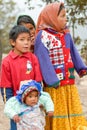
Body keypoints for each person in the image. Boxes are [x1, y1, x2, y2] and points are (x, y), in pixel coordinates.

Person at [34, 2, 87, 130]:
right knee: (59, 117)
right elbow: (43, 59)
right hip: (55, 88)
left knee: (74, 114)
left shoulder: (66, 34)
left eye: (66, 16)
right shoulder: (42, 36)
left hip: (69, 84)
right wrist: (52, 80)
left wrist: (81, 68)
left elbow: (73, 52)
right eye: (62, 16)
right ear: (51, 17)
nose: (66, 19)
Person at [0, 25, 42, 130]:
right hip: (17, 107)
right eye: (22, 39)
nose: (26, 42)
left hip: (33, 104)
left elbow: (38, 81)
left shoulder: (33, 58)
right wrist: (12, 107)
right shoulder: (7, 62)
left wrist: (38, 100)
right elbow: (5, 87)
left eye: (28, 39)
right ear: (13, 42)